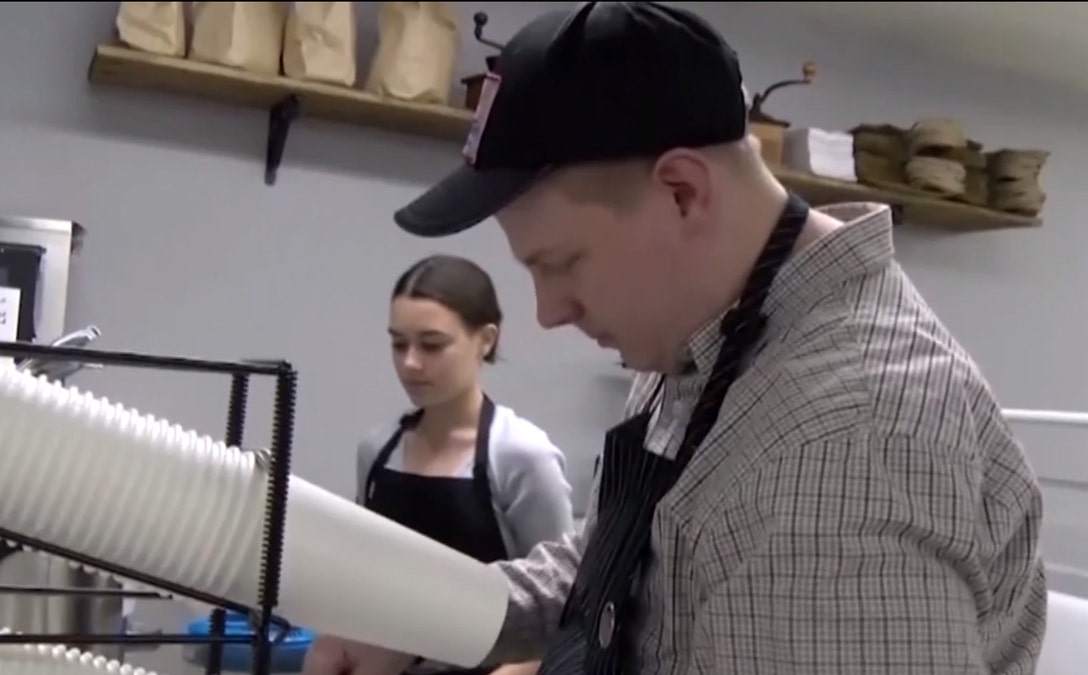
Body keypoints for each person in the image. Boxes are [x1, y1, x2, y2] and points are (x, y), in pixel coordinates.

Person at [304, 3, 1047, 675]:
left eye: (562, 263)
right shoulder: (710, 340)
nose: (549, 311)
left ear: (683, 192)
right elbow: (623, 563)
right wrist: (414, 616)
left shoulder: (843, 441)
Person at [330, 254, 576, 675]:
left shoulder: (521, 456)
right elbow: (364, 580)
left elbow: (567, 608)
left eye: (431, 345)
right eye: (398, 343)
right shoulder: (377, 451)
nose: (410, 362)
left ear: (485, 340)